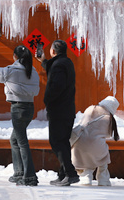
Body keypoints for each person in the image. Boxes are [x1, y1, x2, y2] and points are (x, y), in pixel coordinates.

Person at [0, 45, 40, 186]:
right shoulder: (33, 71)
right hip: (29, 108)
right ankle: (19, 172)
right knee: (15, 139)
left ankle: (29, 176)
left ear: (15, 57)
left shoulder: (11, 70)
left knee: (22, 141)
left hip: (18, 108)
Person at [40, 39, 79, 186]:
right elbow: (54, 68)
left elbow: (56, 86)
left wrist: (47, 100)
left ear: (53, 51)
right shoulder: (67, 62)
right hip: (67, 110)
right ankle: (63, 174)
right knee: (63, 142)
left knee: (56, 142)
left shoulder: (58, 66)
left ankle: (70, 173)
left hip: (59, 111)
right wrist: (44, 61)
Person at [70, 96, 121, 186]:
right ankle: (103, 179)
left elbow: (83, 122)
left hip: (79, 144)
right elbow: (107, 135)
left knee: (87, 159)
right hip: (96, 148)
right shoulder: (109, 118)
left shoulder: (90, 109)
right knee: (103, 156)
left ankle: (86, 176)